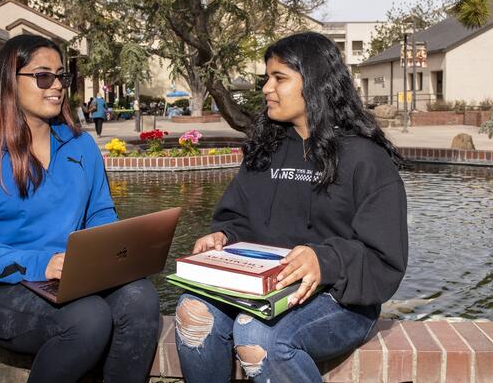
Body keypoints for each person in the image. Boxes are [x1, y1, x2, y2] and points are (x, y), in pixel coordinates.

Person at [174, 32, 408, 383]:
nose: (267, 88)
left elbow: (385, 260)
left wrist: (324, 260)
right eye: (266, 78)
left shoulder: (366, 159)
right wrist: (222, 236)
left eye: (279, 78)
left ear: (315, 83)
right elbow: (238, 217)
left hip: (340, 300)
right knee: (192, 312)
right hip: (256, 289)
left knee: (257, 335)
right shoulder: (263, 150)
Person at [0, 35, 159, 383]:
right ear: (10, 82)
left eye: (62, 76)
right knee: (88, 318)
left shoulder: (82, 146)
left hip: (71, 279)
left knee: (141, 298)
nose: (57, 86)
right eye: (44, 76)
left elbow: (100, 213)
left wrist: (115, 250)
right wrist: (41, 263)